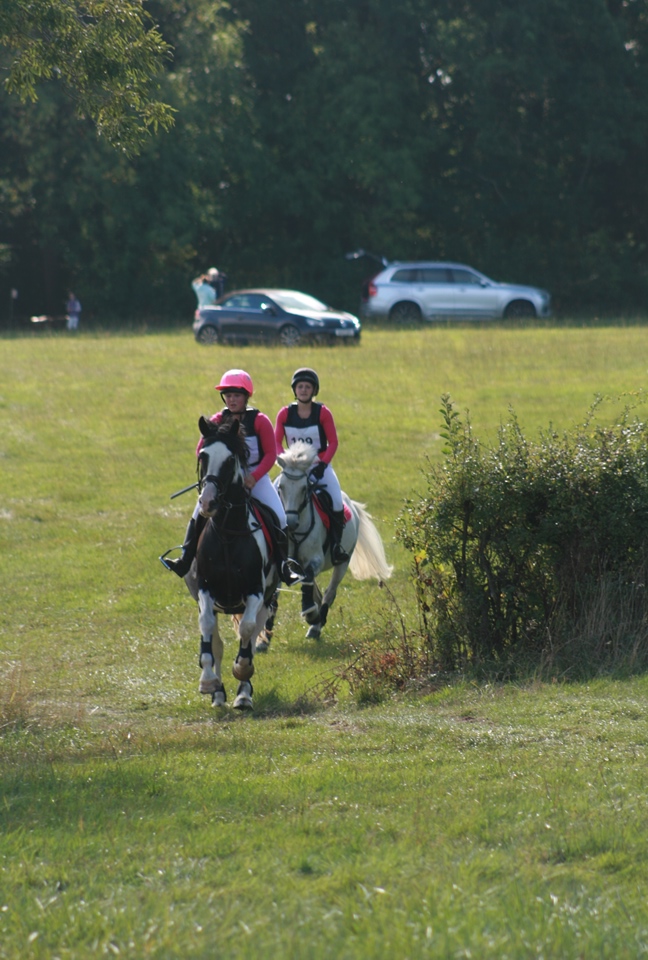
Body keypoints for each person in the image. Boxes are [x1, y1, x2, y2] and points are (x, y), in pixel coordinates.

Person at [161, 368, 303, 585]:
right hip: (225, 481)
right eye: (228, 395)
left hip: (255, 478)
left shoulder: (260, 421)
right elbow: (201, 450)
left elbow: (270, 454)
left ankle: (284, 566)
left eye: (236, 395)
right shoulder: (218, 419)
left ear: (246, 397)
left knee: (280, 517)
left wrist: (254, 477)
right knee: (199, 513)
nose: (232, 400)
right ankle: (185, 559)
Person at [275, 367, 349, 565]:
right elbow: (276, 442)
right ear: (294, 390)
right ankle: (275, 546)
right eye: (300, 386)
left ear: (314, 390)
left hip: (319, 467)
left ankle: (336, 546)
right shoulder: (284, 413)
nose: (304, 390)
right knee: (274, 497)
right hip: (293, 469)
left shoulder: (323, 413)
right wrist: (283, 460)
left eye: (308, 387)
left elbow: (333, 443)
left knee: (336, 500)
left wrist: (322, 464)